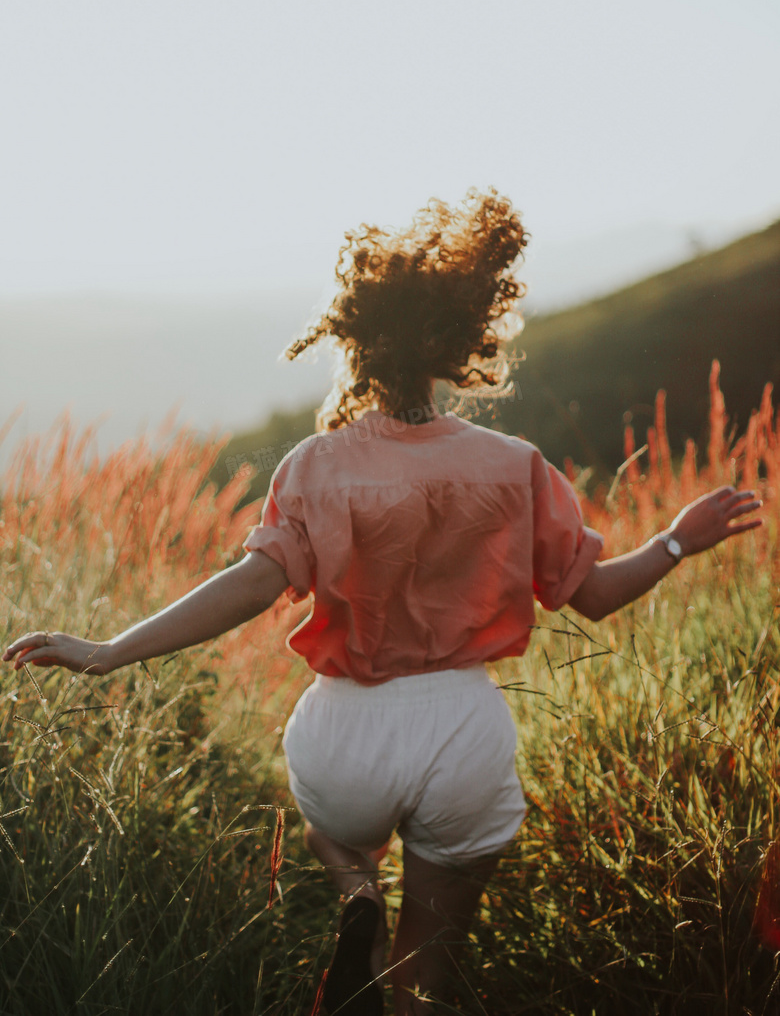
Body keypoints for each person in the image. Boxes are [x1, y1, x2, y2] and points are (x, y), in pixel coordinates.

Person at [2, 189, 763, 1015]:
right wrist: (680, 540)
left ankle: (354, 888)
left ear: (355, 340)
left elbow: (249, 586)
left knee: (330, 818)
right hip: (461, 735)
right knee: (426, 981)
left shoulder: (316, 466)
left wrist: (108, 649)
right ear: (458, 339)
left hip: (346, 739)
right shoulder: (515, 465)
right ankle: (400, 973)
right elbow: (600, 597)